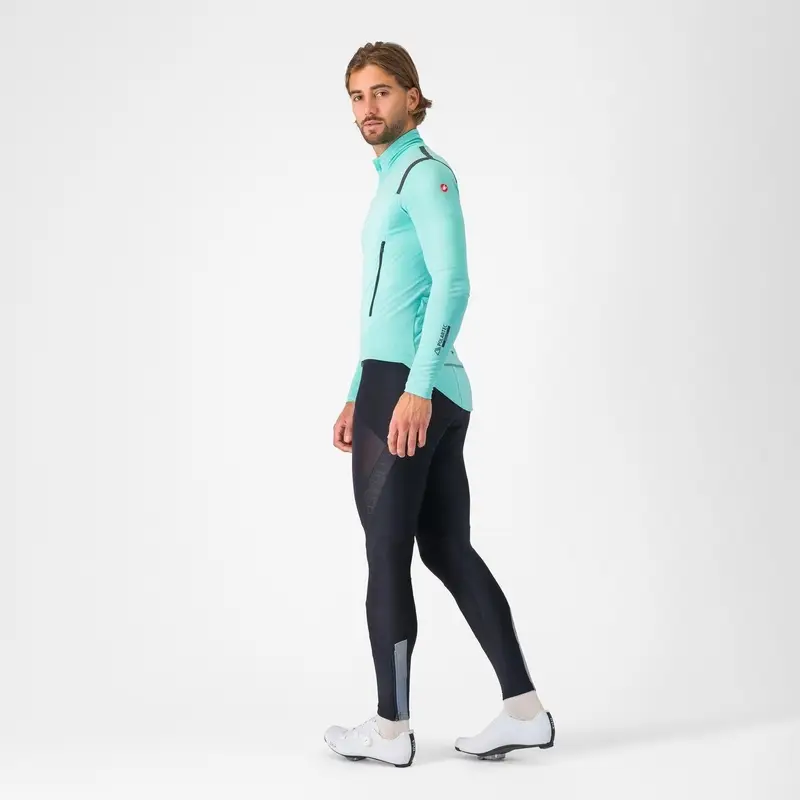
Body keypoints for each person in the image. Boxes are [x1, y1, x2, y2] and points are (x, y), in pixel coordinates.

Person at [323, 41, 555, 768]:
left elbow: (453, 284)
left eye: (382, 92)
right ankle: (524, 712)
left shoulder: (425, 175)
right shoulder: (391, 182)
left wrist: (412, 387)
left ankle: (390, 730)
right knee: (447, 549)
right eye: (357, 95)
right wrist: (356, 389)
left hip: (413, 387)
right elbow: (393, 300)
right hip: (404, 383)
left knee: (387, 554)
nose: (369, 107)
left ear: (414, 97)